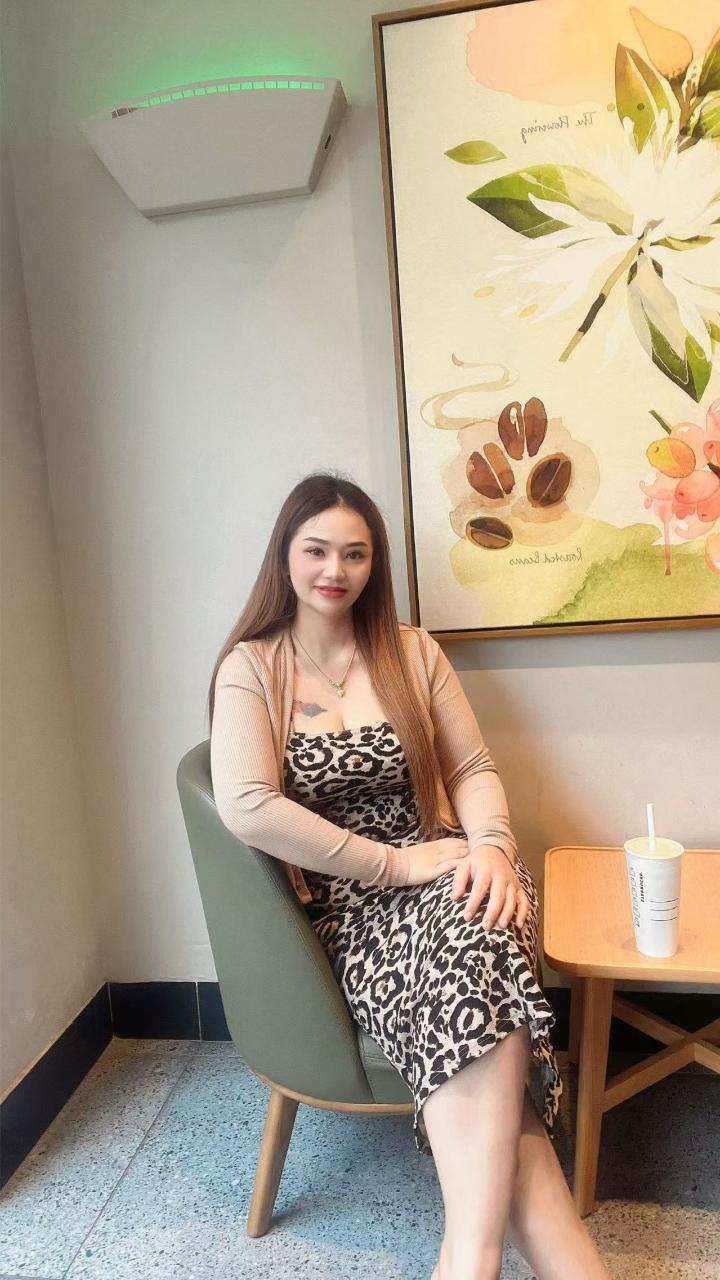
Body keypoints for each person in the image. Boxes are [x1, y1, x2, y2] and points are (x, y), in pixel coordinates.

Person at [209, 473, 612, 1280]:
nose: (335, 570)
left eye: (355, 554)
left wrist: (492, 846)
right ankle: (488, 1258)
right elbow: (248, 805)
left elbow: (471, 766)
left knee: (483, 918)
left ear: (375, 563)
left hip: (453, 865)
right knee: (487, 983)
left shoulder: (411, 651)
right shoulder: (252, 667)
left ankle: (469, 1257)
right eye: (316, 550)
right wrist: (390, 864)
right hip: (352, 903)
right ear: (284, 556)